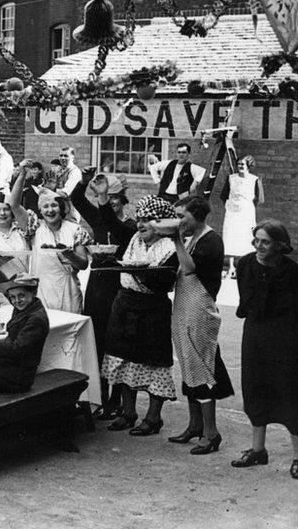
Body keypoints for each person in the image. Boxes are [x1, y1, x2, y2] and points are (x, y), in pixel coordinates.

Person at [102, 196, 180, 436]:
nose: (141, 225)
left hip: (152, 308)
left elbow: (164, 282)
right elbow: (111, 223)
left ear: (161, 224)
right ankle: (128, 412)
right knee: (124, 358)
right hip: (125, 304)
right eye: (140, 219)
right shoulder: (134, 239)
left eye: (148, 220)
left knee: (154, 361)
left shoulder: (170, 248)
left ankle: (153, 418)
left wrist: (138, 271)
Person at [230, 220, 298, 479]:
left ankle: (297, 456)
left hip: (286, 338)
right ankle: (258, 450)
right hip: (256, 335)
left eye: (265, 242)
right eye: (256, 240)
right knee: (255, 389)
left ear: (280, 245)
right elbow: (246, 302)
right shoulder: (245, 264)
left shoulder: (292, 271)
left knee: (289, 393)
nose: (259, 246)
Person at [167, 196, 234, 455]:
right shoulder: (193, 238)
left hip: (200, 311)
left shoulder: (211, 240)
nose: (179, 221)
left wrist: (175, 239)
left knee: (201, 370)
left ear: (197, 215)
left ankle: (211, 432)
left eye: (182, 216)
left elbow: (189, 269)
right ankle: (195, 425)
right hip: (184, 307)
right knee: (188, 366)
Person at [77, 171, 136, 418]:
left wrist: (101, 196)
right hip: (97, 285)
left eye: (114, 198)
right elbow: (77, 200)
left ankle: (117, 399)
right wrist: (83, 180)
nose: (110, 201)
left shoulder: (130, 225)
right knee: (96, 341)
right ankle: (100, 397)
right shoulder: (99, 219)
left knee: (118, 343)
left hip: (119, 286)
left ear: (123, 201)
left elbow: (115, 226)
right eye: (106, 197)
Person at [8, 160, 90, 314]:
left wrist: (68, 253)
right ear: (40, 210)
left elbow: (83, 264)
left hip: (69, 290)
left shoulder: (75, 230)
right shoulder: (34, 227)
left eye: (54, 205)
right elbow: (14, 204)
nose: (50, 210)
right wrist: (22, 174)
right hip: (42, 289)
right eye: (45, 206)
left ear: (61, 208)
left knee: (69, 332)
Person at [221, 155, 263, 278]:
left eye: (242, 164)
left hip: (246, 213)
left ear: (248, 166)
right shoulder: (231, 178)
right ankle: (231, 267)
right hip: (232, 212)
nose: (240, 166)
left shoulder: (254, 179)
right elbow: (224, 196)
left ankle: (244, 269)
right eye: (238, 164)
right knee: (231, 237)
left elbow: (259, 198)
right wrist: (231, 206)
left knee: (245, 238)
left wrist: (247, 206)